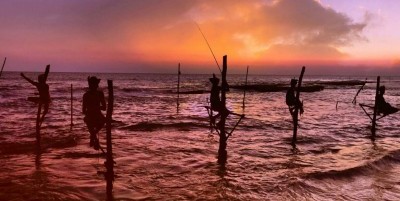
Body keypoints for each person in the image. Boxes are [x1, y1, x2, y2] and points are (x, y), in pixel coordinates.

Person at [82, 76, 106, 150]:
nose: (95, 86)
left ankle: (93, 136)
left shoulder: (100, 94)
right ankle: (93, 137)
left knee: (103, 121)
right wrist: (90, 111)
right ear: (90, 85)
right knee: (90, 124)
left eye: (95, 84)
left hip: (97, 115)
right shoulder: (86, 95)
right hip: (89, 116)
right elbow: (83, 110)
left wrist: (96, 108)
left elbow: (104, 107)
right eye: (92, 84)